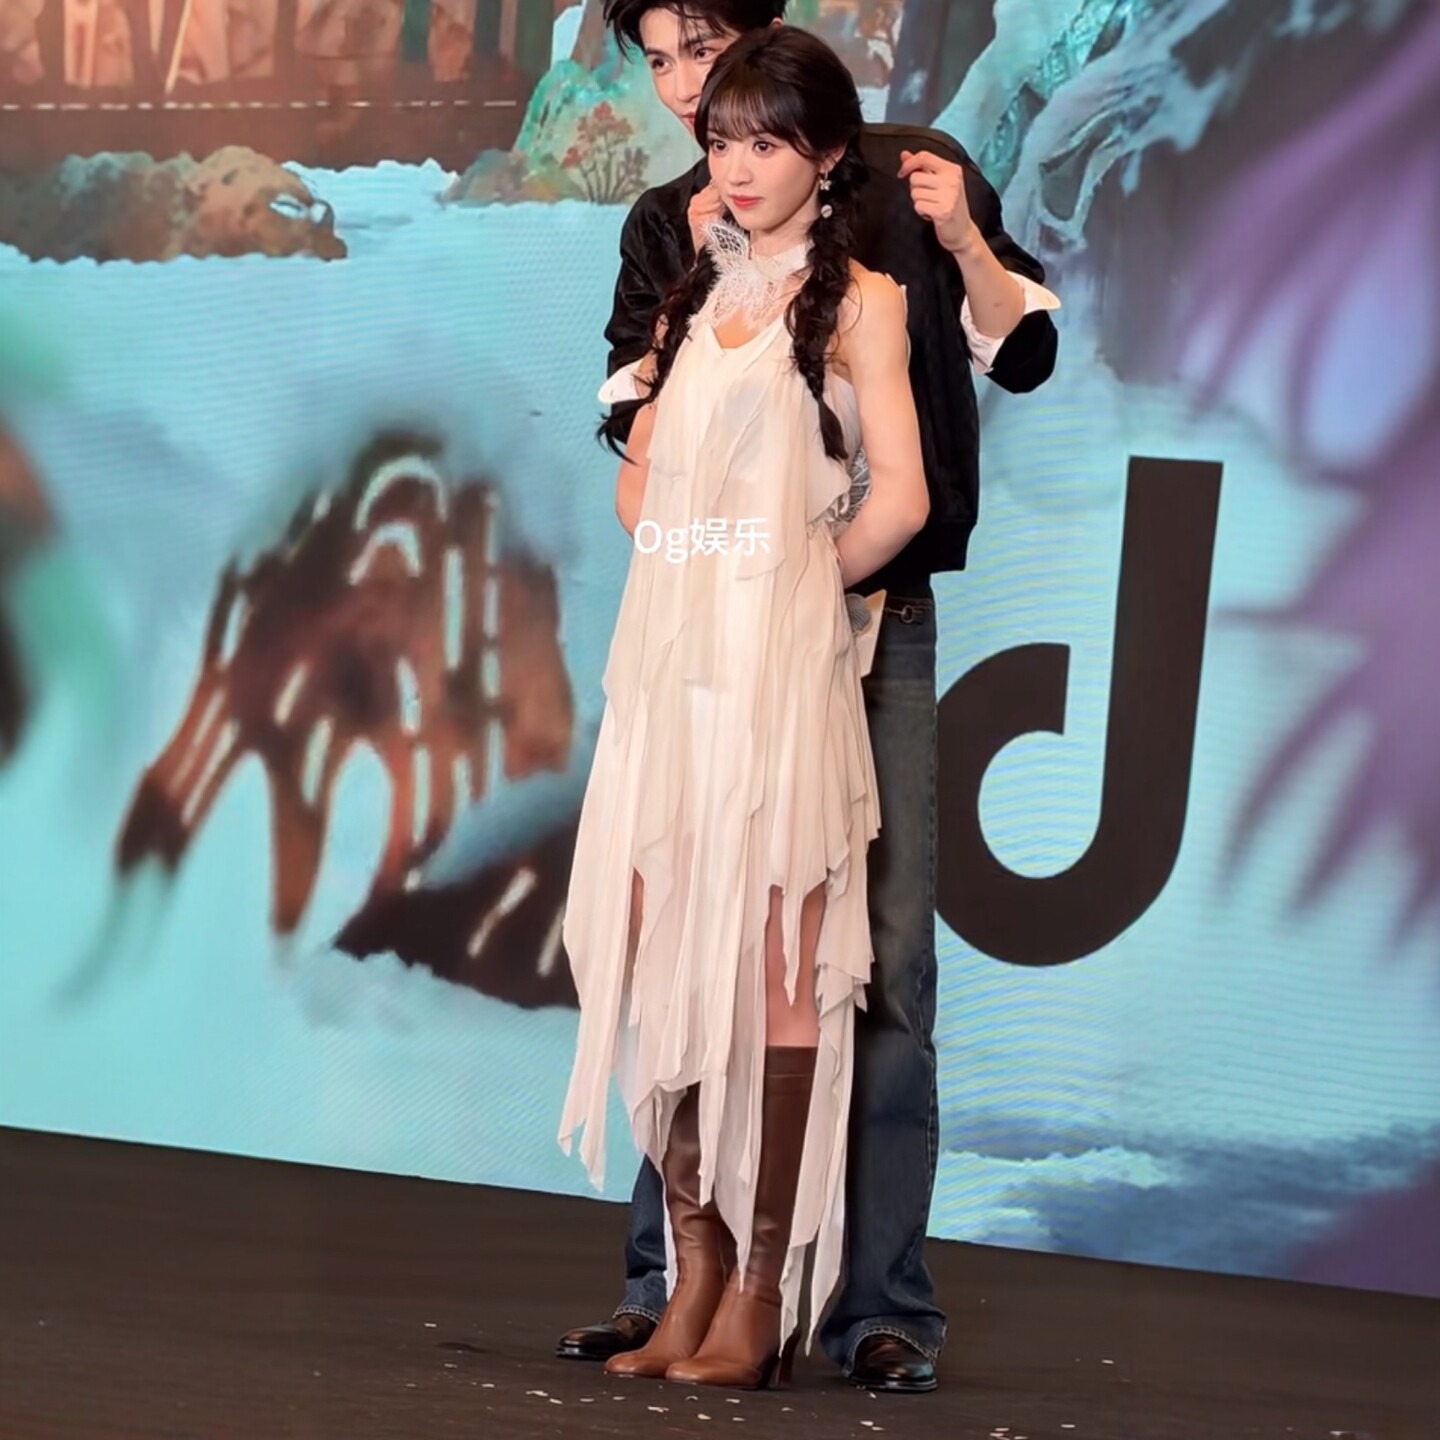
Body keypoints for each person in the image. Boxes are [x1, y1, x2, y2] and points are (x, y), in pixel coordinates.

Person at [558, 0, 1060, 1394]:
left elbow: (1019, 355)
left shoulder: (909, 183)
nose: (687, 91)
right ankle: (677, 1280)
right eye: (663, 64)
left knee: (865, 962)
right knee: (673, 941)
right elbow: (640, 443)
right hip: (696, 648)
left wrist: (965, 241)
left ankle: (870, 1304)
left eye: (706, 51)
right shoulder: (673, 233)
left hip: (869, 627)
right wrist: (702, 556)